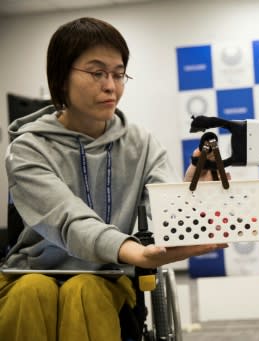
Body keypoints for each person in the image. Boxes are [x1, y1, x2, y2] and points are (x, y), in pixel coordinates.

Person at [0, 17, 226, 341]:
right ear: (62, 78)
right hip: (31, 271)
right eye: (97, 73)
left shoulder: (142, 144)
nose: (111, 85)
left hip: (108, 274)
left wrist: (192, 190)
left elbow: (168, 212)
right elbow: (68, 219)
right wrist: (132, 250)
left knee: (86, 290)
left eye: (119, 75)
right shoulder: (27, 149)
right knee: (31, 292)